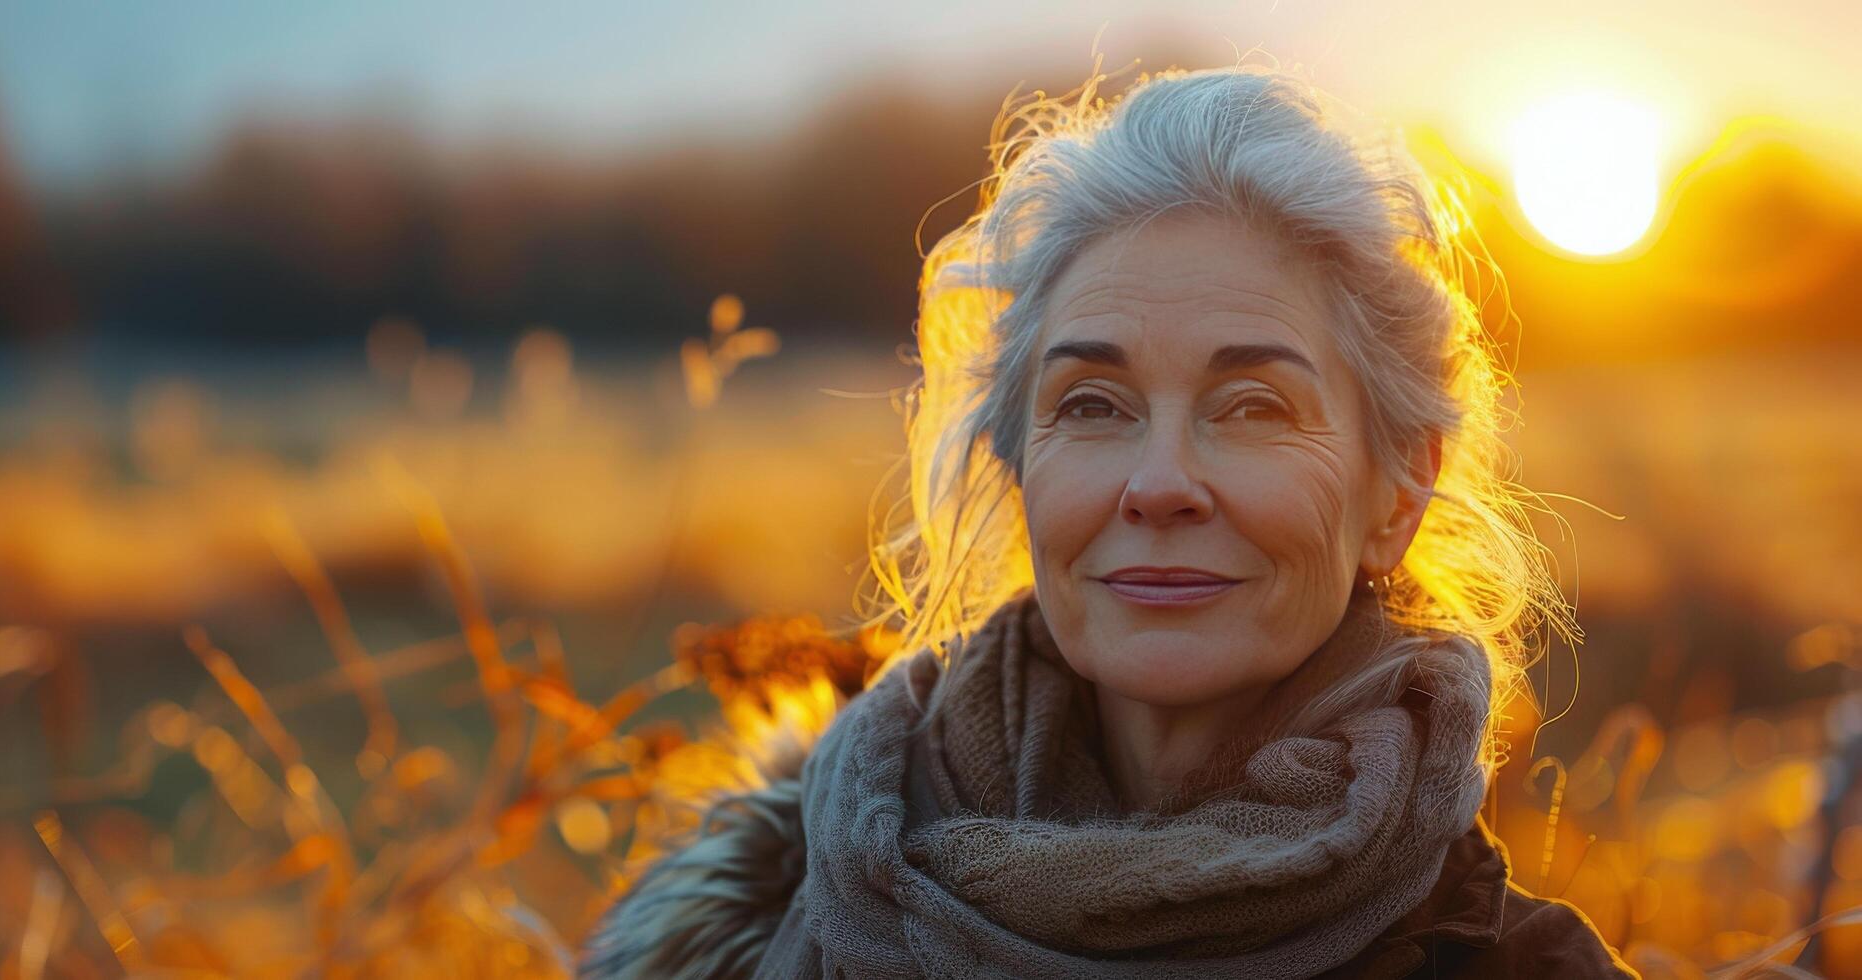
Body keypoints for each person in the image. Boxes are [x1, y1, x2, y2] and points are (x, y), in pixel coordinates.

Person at [581, 62, 1641, 979]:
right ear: (1015, 463)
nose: (1160, 481)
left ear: (1397, 489)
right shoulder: (762, 915)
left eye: (1253, 406)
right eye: (1092, 404)